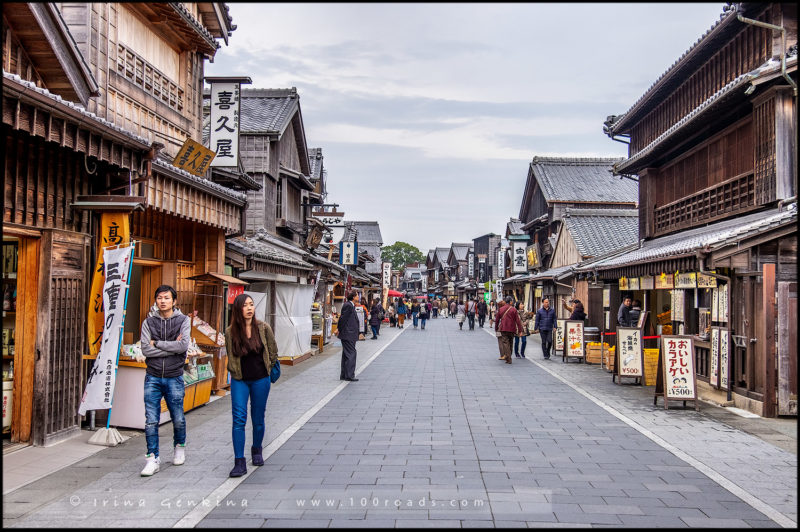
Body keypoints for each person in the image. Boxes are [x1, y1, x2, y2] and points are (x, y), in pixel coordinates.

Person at [225, 294, 279, 477]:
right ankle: (239, 462)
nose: (249, 308)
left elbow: (273, 351)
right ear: (238, 309)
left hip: (260, 380)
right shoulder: (230, 331)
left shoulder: (263, 328)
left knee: (258, 418)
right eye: (245, 305)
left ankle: (257, 450)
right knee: (238, 419)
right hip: (239, 380)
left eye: (251, 305)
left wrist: (269, 370)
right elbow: (231, 355)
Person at [139, 285, 191, 476]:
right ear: (156, 300)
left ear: (174, 301)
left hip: (174, 376)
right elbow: (145, 349)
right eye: (159, 298)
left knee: (177, 417)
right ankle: (152, 458)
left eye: (167, 298)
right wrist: (173, 346)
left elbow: (183, 345)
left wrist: (158, 343)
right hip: (152, 376)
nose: (163, 301)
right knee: (151, 420)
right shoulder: (148, 323)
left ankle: (179, 446)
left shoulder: (183, 320)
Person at [337, 290, 360, 382]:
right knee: (351, 354)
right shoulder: (348, 305)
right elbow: (343, 319)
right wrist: (339, 329)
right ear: (353, 297)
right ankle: (349, 375)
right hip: (348, 333)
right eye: (357, 295)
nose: (358, 297)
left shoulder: (351, 305)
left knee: (346, 354)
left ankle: (344, 375)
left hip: (349, 333)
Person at [495, 296, 524, 364]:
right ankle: (509, 355)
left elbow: (497, 320)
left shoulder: (501, 309)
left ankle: (508, 358)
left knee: (505, 343)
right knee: (510, 342)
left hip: (503, 328)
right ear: (510, 302)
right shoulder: (513, 310)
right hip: (512, 328)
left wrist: (496, 328)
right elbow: (518, 321)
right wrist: (520, 330)